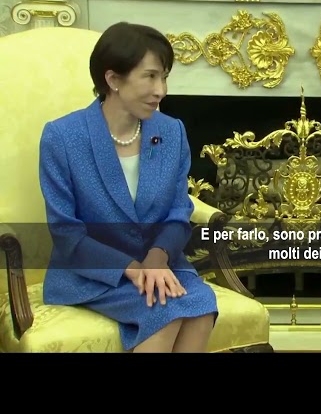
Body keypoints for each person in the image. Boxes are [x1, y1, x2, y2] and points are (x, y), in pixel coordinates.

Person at [39, 21, 217, 353]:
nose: (161, 90)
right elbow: (66, 233)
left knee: (202, 306)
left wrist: (157, 258)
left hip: (160, 262)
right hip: (93, 272)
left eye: (164, 77)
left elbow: (179, 211)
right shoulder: (62, 137)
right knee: (164, 311)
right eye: (150, 76)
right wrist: (134, 270)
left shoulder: (172, 132)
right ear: (113, 80)